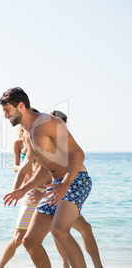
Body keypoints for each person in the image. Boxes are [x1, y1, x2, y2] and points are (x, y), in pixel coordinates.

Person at [0, 87, 92, 268]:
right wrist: (21, 190)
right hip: (56, 184)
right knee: (29, 241)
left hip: (76, 180)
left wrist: (65, 184)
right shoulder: (27, 135)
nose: (5, 116)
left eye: (7, 110)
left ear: (20, 106)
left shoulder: (49, 123)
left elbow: (78, 154)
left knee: (59, 231)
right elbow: (40, 168)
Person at [50, 110, 103, 268]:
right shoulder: (47, 142)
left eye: (63, 122)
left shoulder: (64, 140)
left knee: (84, 228)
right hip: (53, 191)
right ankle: (66, 264)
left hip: (70, 188)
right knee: (58, 230)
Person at [0, 109, 50, 268]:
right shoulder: (19, 143)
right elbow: (17, 167)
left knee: (58, 233)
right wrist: (23, 173)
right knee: (19, 237)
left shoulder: (43, 140)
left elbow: (51, 169)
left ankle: (65, 264)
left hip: (48, 193)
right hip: (29, 193)